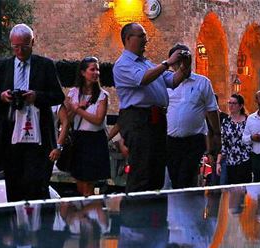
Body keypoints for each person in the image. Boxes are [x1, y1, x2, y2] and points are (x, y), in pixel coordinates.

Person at [0, 24, 64, 202]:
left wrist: (36, 96)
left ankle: (39, 227)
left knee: (37, 186)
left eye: (24, 46)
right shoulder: (1, 66)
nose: (19, 51)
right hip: (10, 134)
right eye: (15, 47)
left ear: (32, 42)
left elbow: (58, 96)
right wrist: (3, 97)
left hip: (38, 136)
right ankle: (17, 226)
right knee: (13, 187)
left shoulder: (45, 65)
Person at [113, 23, 188, 192]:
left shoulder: (147, 63)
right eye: (141, 36)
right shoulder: (123, 64)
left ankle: (153, 213)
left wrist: (185, 65)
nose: (146, 40)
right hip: (139, 119)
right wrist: (167, 63)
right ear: (128, 39)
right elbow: (143, 79)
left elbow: (173, 80)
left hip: (156, 120)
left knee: (156, 171)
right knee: (142, 170)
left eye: (145, 36)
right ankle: (136, 214)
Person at [164, 44, 220, 189]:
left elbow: (212, 110)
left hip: (193, 140)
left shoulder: (202, 82)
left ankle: (189, 207)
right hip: (171, 141)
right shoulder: (166, 83)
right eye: (178, 60)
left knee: (186, 177)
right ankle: (179, 209)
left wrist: (217, 134)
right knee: (175, 177)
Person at [53, 56, 110, 196]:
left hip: (95, 140)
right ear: (83, 73)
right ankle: (84, 213)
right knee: (79, 182)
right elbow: (66, 119)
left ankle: (87, 211)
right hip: (79, 139)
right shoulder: (73, 93)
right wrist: (74, 108)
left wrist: (78, 109)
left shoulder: (103, 95)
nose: (96, 72)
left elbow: (98, 120)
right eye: (92, 69)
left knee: (90, 183)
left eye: (97, 69)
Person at [218, 93, 252, 184]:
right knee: (232, 190)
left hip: (245, 159)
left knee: (243, 189)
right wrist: (219, 162)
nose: (231, 106)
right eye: (229, 103)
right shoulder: (226, 121)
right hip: (230, 160)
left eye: (234, 103)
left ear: (240, 106)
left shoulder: (248, 120)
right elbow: (223, 143)